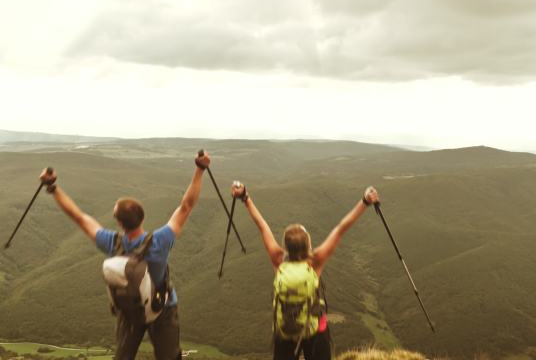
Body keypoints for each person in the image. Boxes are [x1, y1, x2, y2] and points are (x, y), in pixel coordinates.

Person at [38, 151, 211, 360]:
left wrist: (53, 188)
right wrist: (200, 169)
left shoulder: (112, 243)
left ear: (119, 223)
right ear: (142, 217)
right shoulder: (160, 241)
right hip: (162, 309)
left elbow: (79, 217)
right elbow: (186, 206)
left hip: (130, 312)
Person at [230, 181, 380, 360]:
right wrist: (365, 201)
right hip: (315, 330)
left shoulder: (278, 259)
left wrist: (245, 197)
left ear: (285, 245)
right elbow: (341, 228)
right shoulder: (315, 261)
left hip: (284, 330)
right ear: (309, 244)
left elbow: (262, 225)